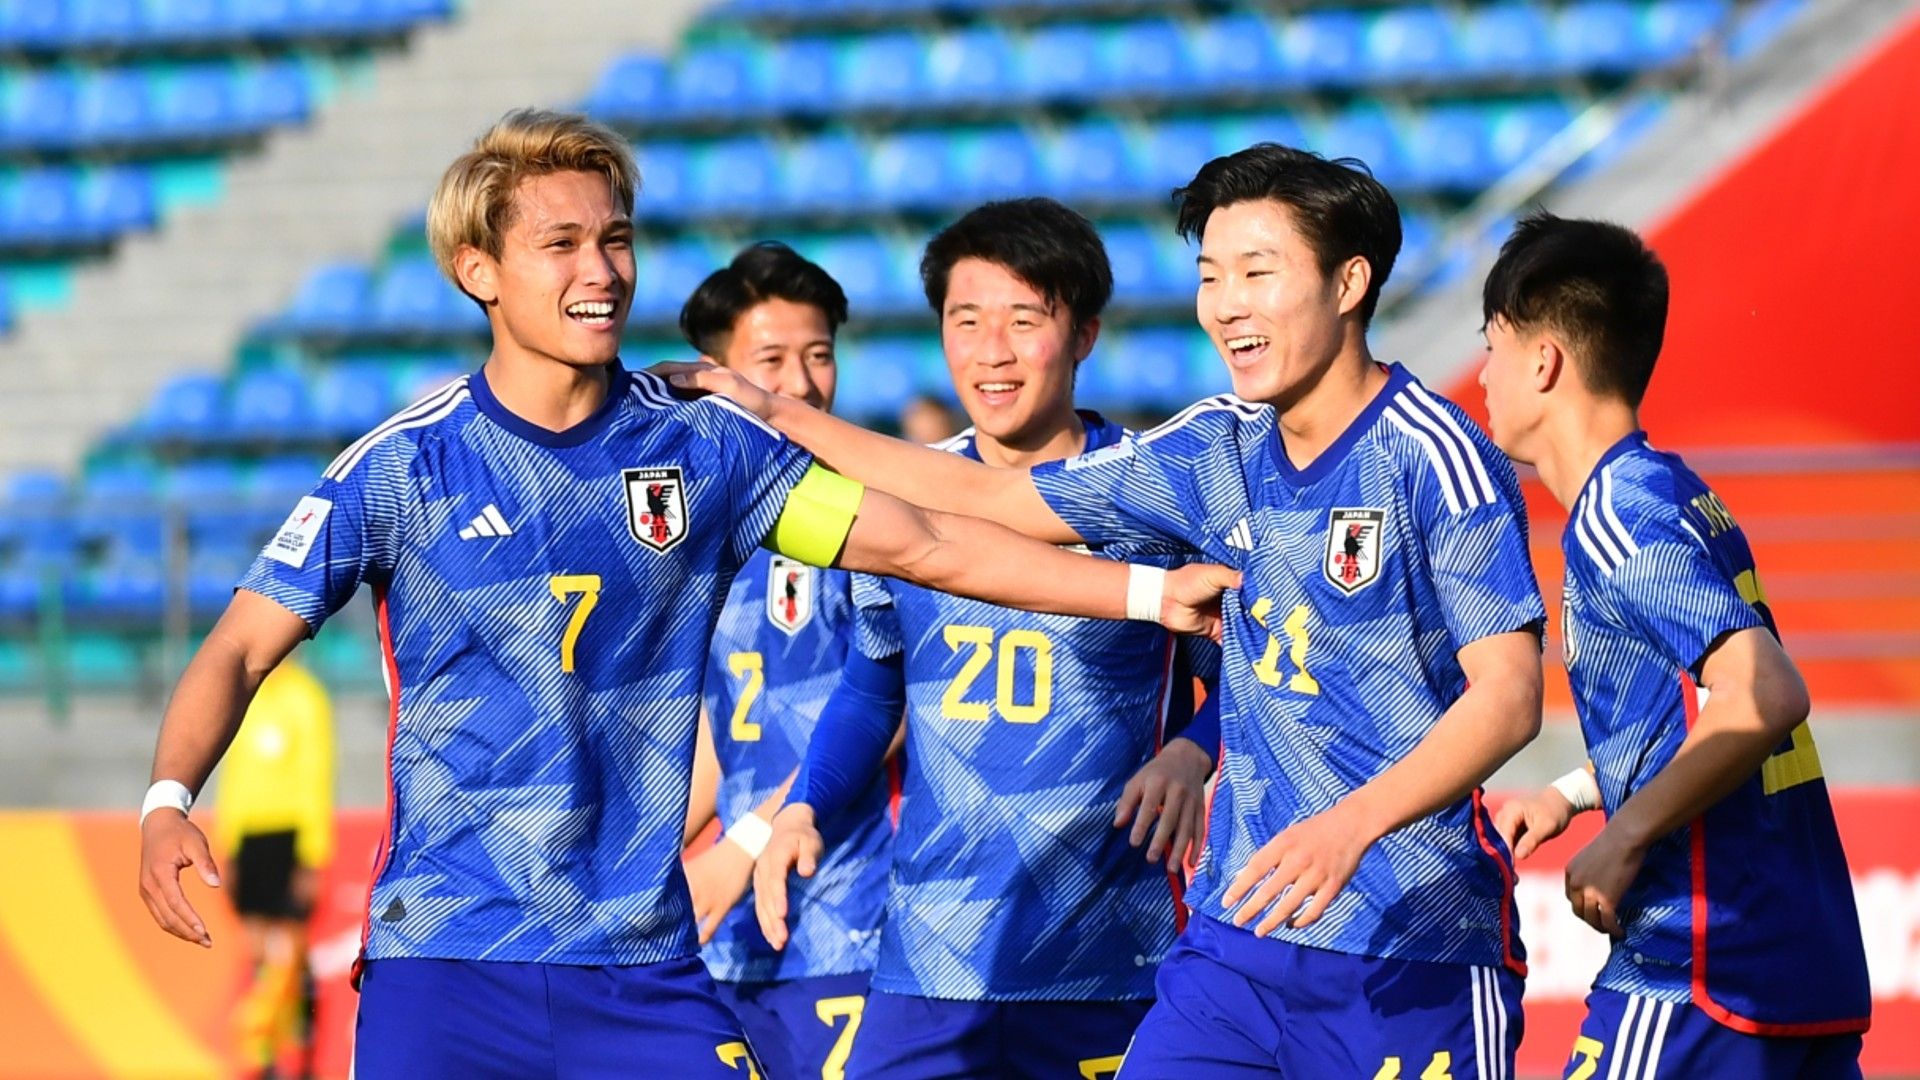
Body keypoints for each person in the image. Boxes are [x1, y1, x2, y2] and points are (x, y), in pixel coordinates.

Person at [133, 108, 1235, 1079]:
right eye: (560, 245)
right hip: (451, 963)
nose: (603, 271)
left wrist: (1143, 595)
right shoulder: (403, 465)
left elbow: (931, 546)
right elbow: (239, 648)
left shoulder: (704, 455)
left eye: (615, 239)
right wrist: (170, 799)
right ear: (478, 269)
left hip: (643, 969)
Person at [666, 143, 1547, 1078]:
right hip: (1234, 942)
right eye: (1212, 276)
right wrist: (782, 416)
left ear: (1348, 282)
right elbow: (992, 500)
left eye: (1258, 271)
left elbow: (1509, 697)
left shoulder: (1436, 455)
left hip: (1406, 937)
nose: (1228, 305)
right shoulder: (1211, 447)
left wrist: (1344, 822)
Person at [755, 198, 1223, 1079]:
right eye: (966, 322)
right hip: (933, 956)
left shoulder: (1154, 497)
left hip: (1112, 953)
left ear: (1083, 335)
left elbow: (1244, 687)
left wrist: (1194, 753)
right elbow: (871, 684)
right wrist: (805, 803)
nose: (991, 352)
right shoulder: (901, 501)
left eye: (1023, 320)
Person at [1481, 213, 1871, 1078]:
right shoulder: (1668, 488)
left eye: (1493, 345)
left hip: (1700, 958)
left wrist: (1625, 839)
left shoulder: (1619, 517)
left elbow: (1763, 696)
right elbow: (1702, 706)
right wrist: (1576, 794)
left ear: (1544, 361)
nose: (1483, 374)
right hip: (1788, 955)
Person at [676, 241, 897, 1080]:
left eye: (819, 356)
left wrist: (749, 839)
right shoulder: (703, 526)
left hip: (844, 924)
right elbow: (725, 731)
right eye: (772, 361)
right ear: (713, 372)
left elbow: (890, 699)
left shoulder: (866, 521)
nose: (803, 384)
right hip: (725, 939)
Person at [215, 655, 333, 1080]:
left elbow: (315, 777)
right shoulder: (246, 698)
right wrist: (229, 846)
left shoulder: (306, 697)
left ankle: (302, 1051)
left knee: (290, 952)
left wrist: (311, 856)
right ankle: (264, 1056)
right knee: (256, 951)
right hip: (251, 839)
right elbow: (236, 777)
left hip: (289, 836)